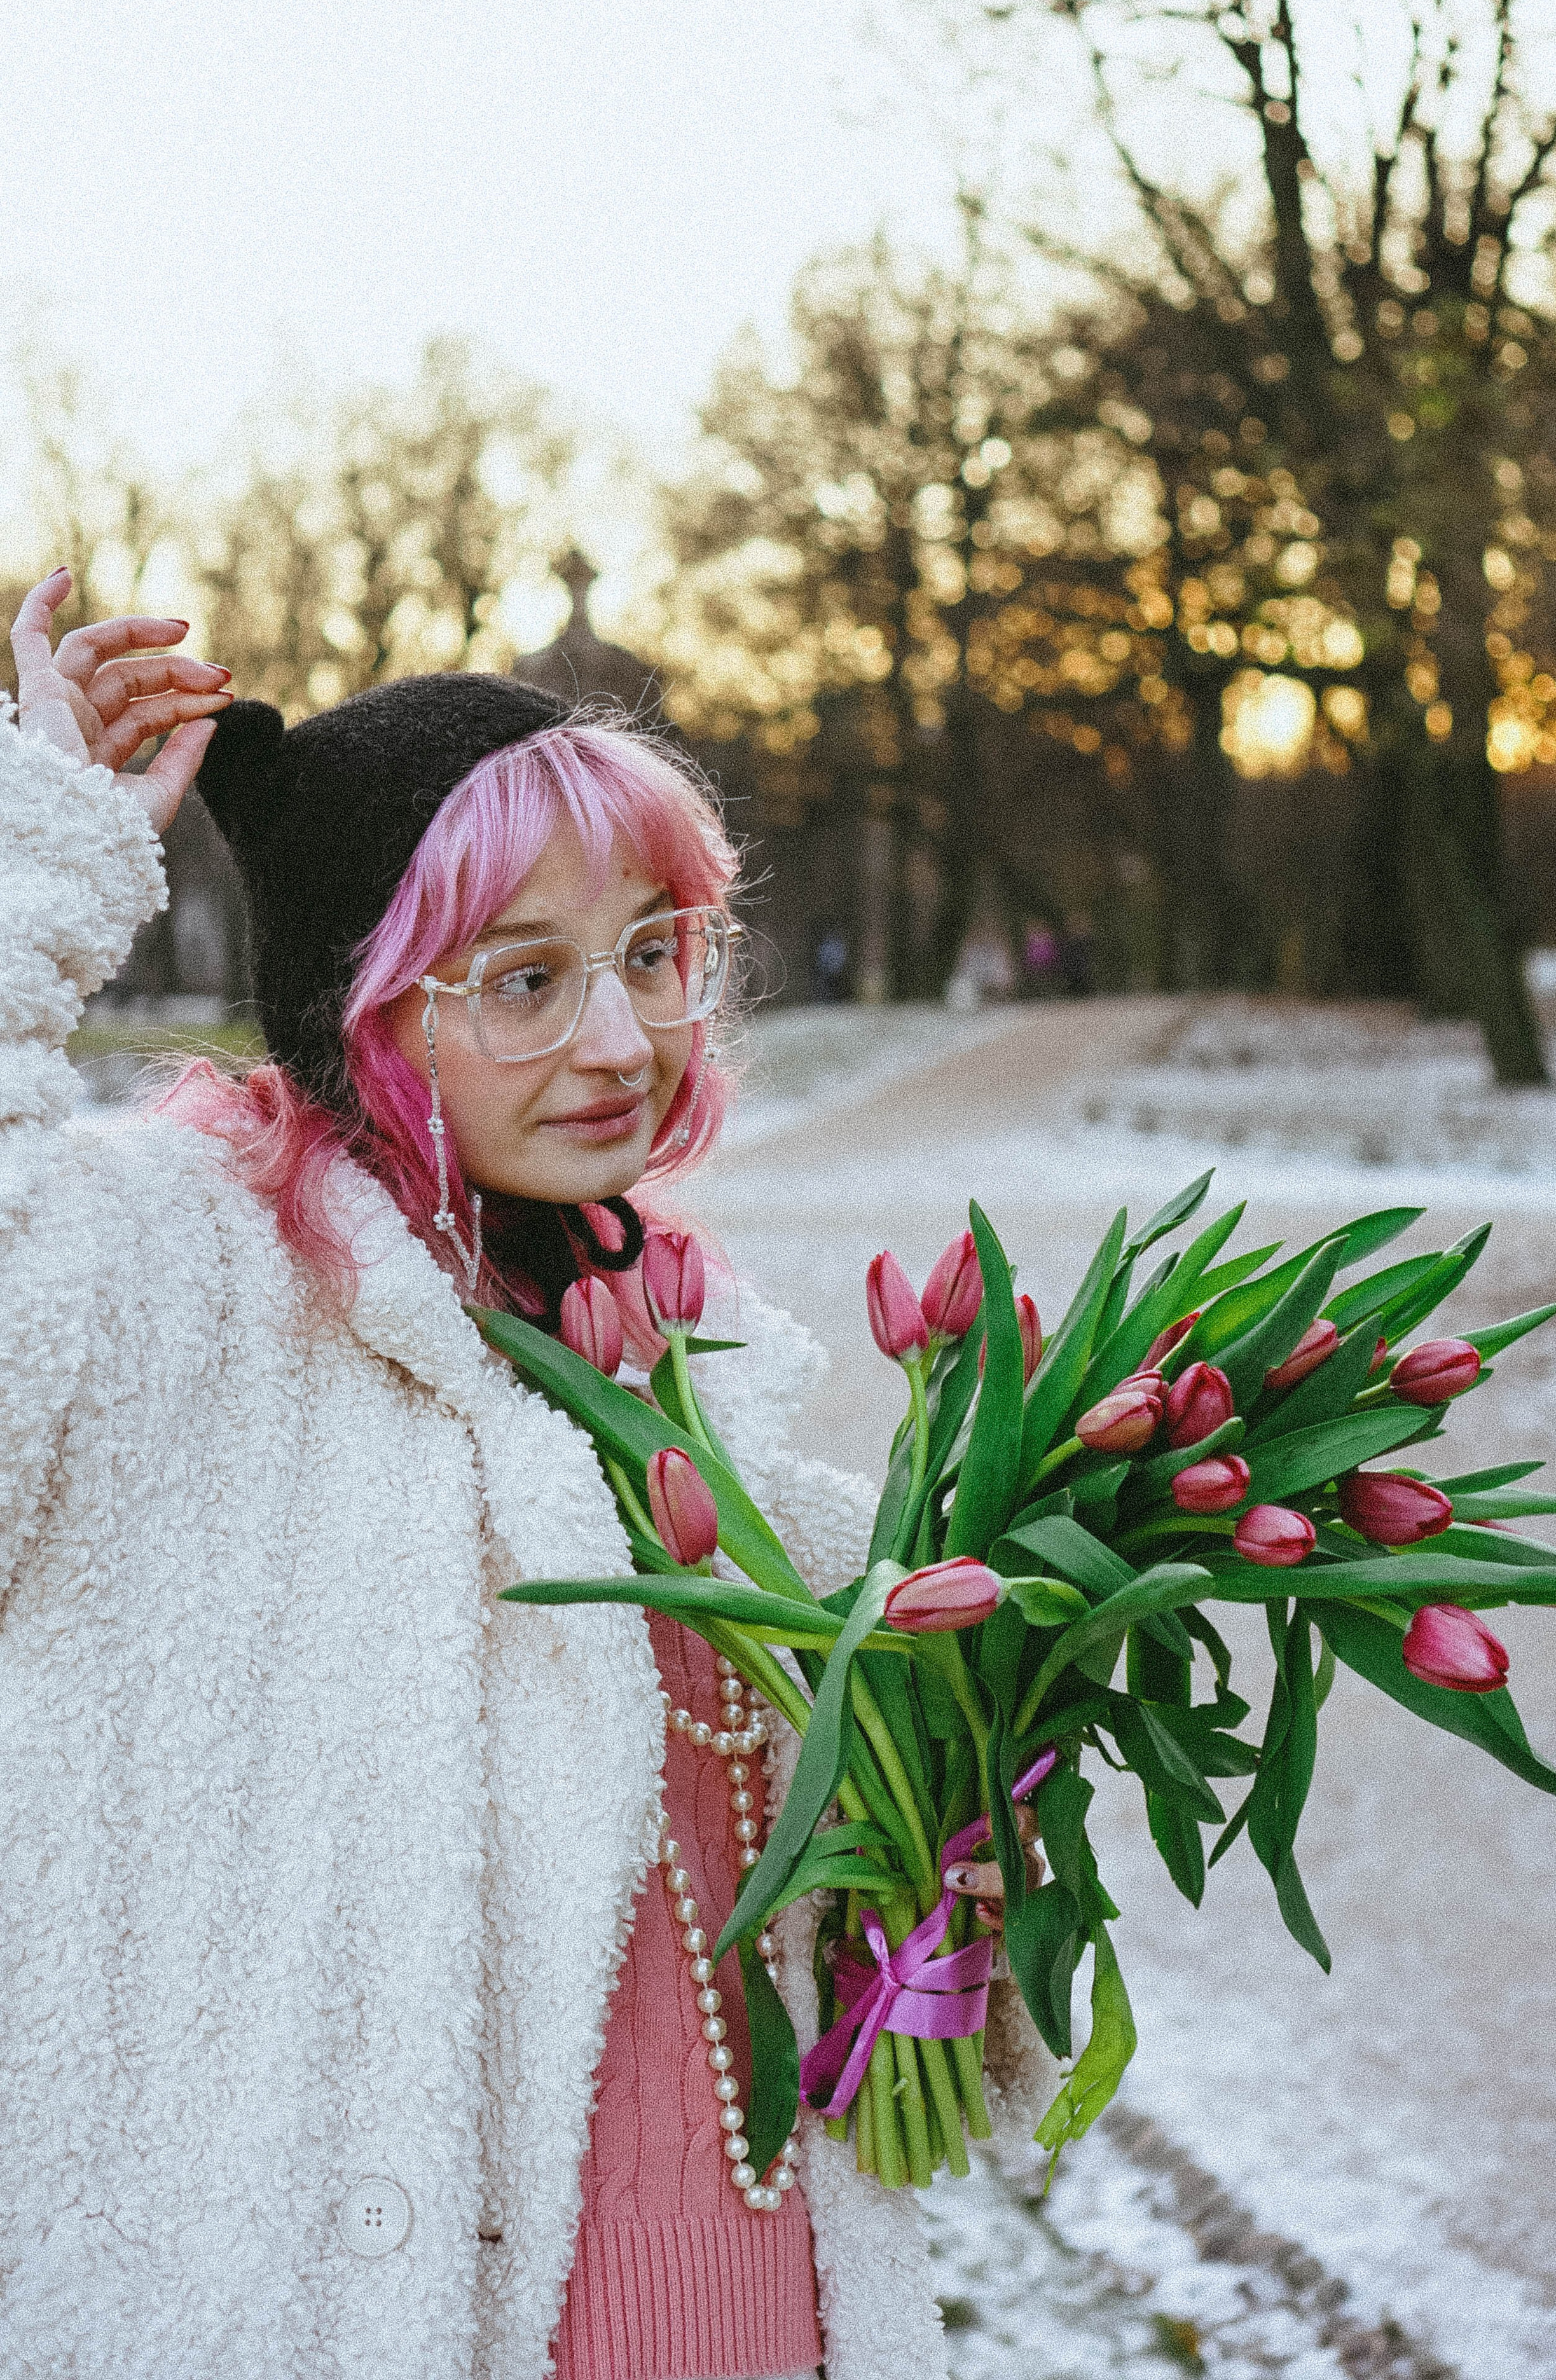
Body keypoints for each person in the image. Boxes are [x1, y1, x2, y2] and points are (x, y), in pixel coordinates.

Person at [0, 570, 1051, 2380]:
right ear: (363, 1007)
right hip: (377, 2312)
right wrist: (42, 865)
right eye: (526, 981)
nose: (623, 1040)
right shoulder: (189, 1284)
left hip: (751, 2296)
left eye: (652, 951)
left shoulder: (686, 1356)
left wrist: (945, 1820)